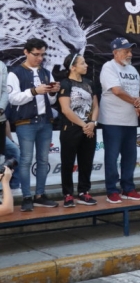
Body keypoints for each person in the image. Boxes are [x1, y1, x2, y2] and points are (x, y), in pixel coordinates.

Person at [7, 39, 60, 210]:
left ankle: (40, 195)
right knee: (26, 160)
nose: (40, 58)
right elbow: (13, 99)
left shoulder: (46, 73)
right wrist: (33, 91)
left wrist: (53, 92)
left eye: (42, 54)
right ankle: (26, 197)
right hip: (25, 122)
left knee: (43, 160)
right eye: (36, 54)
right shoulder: (15, 73)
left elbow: (52, 101)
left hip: (45, 121)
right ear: (26, 52)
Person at [99, 37, 140, 203]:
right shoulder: (108, 67)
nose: (130, 54)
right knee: (112, 157)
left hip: (130, 120)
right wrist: (135, 102)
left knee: (130, 157)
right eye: (126, 51)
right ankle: (112, 190)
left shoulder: (133, 69)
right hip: (112, 120)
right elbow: (117, 91)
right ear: (115, 52)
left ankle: (128, 188)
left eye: (130, 51)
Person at [58, 54, 99, 207]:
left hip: (89, 129)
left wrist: (92, 123)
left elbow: (95, 106)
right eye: (82, 63)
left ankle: (84, 192)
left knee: (86, 162)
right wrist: (84, 125)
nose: (86, 65)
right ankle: (68, 194)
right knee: (68, 162)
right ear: (73, 67)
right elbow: (65, 109)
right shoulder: (65, 84)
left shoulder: (89, 83)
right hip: (71, 128)